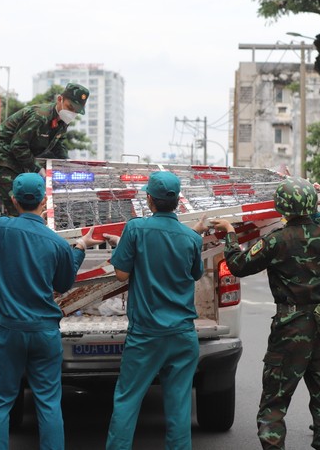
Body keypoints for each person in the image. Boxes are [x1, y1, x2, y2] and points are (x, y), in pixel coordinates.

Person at [211, 177, 320, 450]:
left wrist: (230, 232)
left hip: (290, 328)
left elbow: (239, 265)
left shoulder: (276, 241)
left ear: (283, 208)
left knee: (275, 403)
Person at [0, 173, 103, 449]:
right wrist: (80, 247)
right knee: (48, 402)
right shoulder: (58, 244)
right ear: (45, 201)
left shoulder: (1, 228)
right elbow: (63, 283)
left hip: (8, 329)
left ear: (13, 199)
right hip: (44, 331)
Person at [104, 171, 204, 450]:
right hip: (183, 335)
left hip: (146, 334)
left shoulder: (135, 229)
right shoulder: (192, 239)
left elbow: (122, 274)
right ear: (178, 201)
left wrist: (124, 245)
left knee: (127, 400)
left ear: (149, 199)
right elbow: (195, 273)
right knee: (179, 407)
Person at [0, 83, 90, 214]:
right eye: (70, 107)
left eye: (76, 111)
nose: (72, 113)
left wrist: (67, 165)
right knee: (18, 202)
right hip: (0, 155)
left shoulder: (62, 121)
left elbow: (58, 144)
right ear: (60, 99)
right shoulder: (40, 117)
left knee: (30, 200)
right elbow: (18, 145)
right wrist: (37, 168)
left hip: (17, 158)